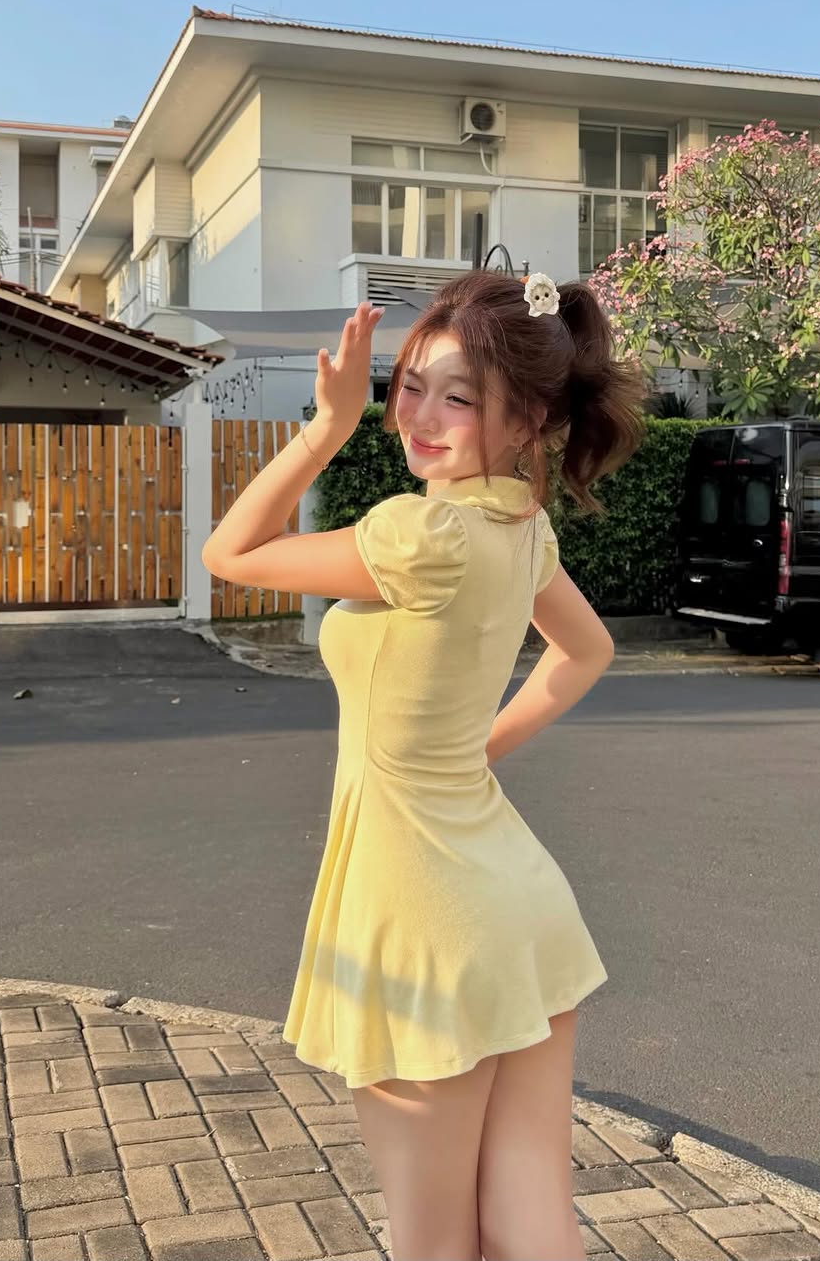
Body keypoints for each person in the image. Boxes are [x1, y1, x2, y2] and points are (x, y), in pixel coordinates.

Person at [202, 269, 645, 1261]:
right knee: (531, 1224)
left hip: (423, 928)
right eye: (411, 386)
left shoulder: (420, 532)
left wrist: (328, 427)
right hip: (519, 909)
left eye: (460, 398)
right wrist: (469, 752)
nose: (421, 416)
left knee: (434, 1242)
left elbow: (230, 552)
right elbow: (586, 652)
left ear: (529, 420)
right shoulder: (520, 528)